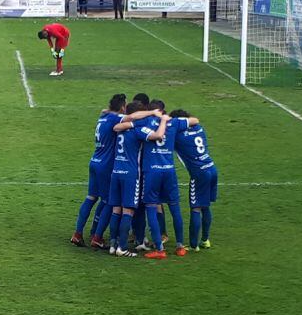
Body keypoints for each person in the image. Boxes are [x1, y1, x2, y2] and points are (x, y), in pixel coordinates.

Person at [72, 94, 162, 249]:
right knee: (109, 202)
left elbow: (107, 112)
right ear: (121, 108)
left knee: (91, 198)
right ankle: (97, 237)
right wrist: (151, 113)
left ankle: (78, 233)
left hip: (95, 161)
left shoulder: (103, 117)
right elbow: (132, 117)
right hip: (107, 166)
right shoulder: (115, 119)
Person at [92, 101, 168, 257]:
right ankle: (123, 247)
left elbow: (115, 126)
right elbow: (158, 135)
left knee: (116, 209)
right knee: (128, 211)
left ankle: (113, 244)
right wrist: (164, 121)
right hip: (131, 175)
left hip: (116, 172)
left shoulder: (120, 129)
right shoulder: (139, 130)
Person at [127, 100, 199, 258]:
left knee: (151, 207)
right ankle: (180, 246)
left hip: (152, 172)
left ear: (151, 110)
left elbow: (131, 117)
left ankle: (159, 249)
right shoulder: (173, 122)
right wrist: (169, 120)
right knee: (175, 208)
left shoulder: (145, 121)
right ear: (163, 110)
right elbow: (195, 120)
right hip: (169, 171)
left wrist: (151, 115)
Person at [170, 109, 217, 252]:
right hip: (212, 168)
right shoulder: (198, 128)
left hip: (199, 174)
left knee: (196, 208)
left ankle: (193, 245)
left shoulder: (177, 136)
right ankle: (205, 240)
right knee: (206, 206)